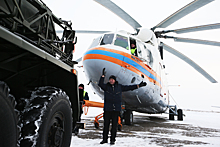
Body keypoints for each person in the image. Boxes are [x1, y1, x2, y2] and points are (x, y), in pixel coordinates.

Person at [98, 68, 147, 145]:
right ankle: (104, 139)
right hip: (107, 110)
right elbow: (100, 84)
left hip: (116, 110)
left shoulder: (119, 87)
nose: (111, 81)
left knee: (114, 126)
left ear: (115, 80)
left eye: (112, 79)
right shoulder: (106, 87)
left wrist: (138, 86)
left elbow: (129, 87)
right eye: (110, 79)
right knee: (106, 126)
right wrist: (103, 76)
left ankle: (112, 140)